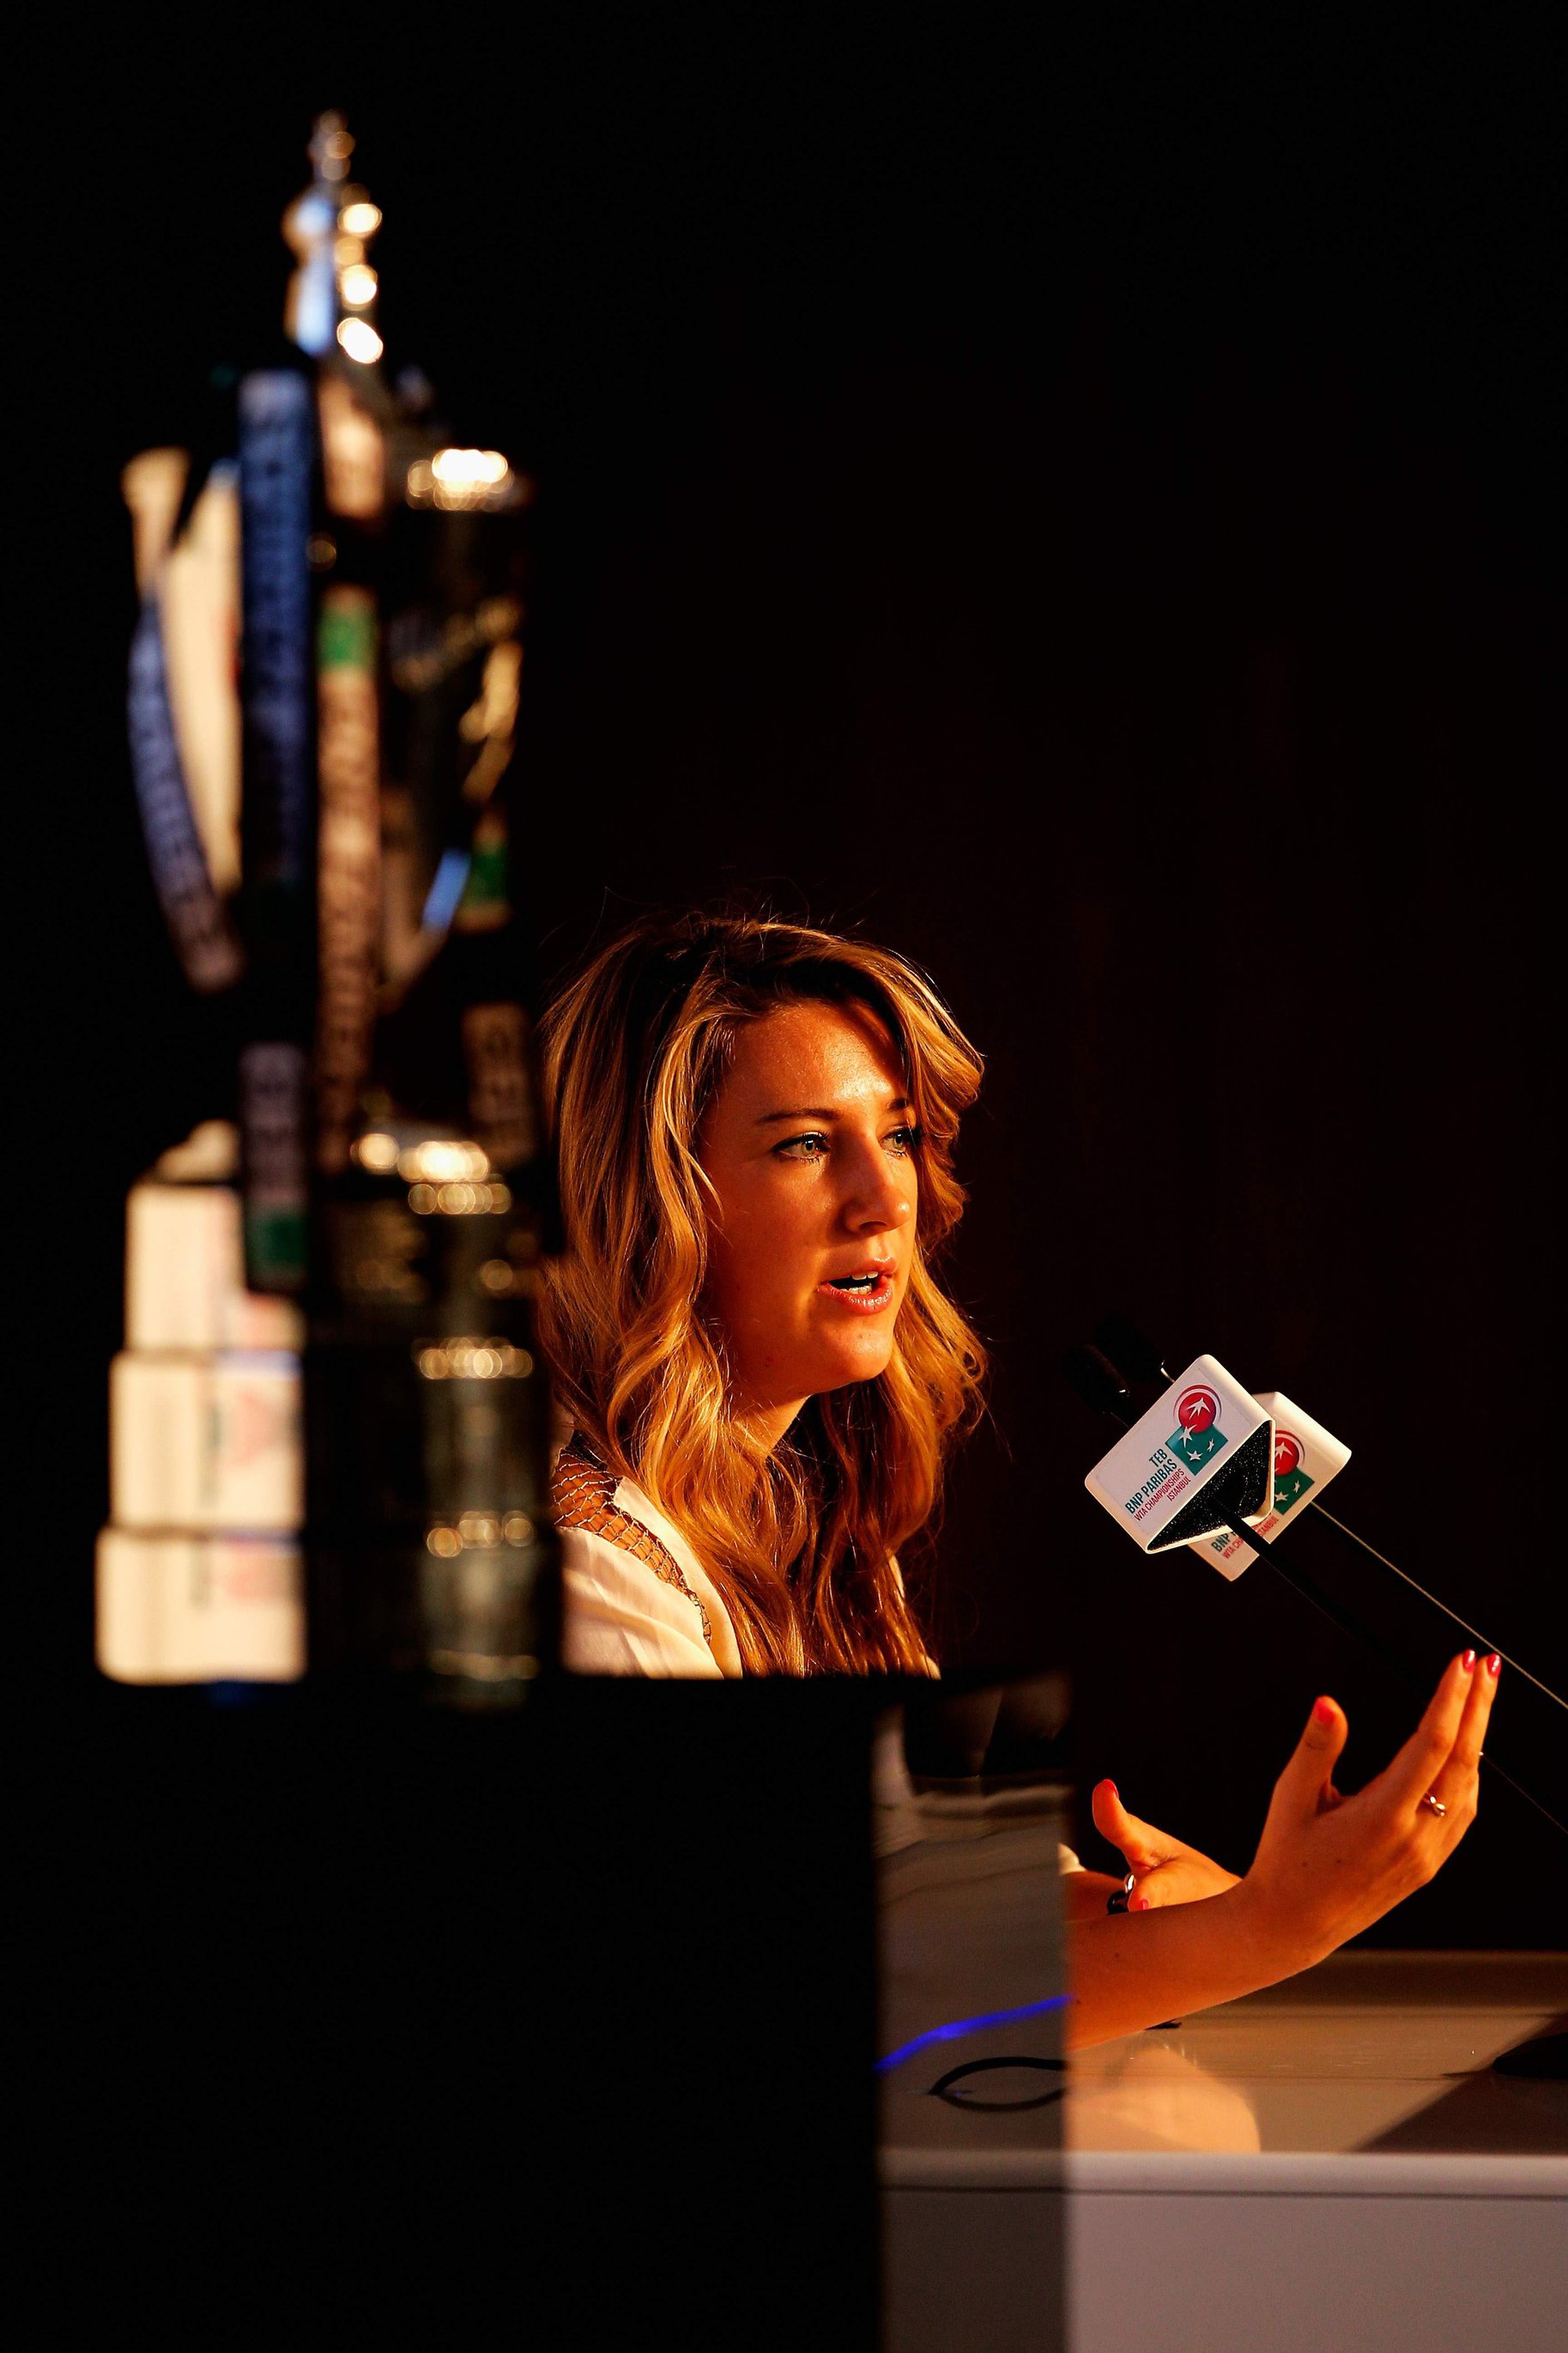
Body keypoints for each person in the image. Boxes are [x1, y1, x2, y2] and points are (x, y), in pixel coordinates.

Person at [536, 908, 1500, 2047]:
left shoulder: (813, 1526)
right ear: (649, 1198)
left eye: (896, 1137)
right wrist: (1266, 1927)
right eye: (804, 1143)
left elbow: (932, 1902)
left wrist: (1148, 1912)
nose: (883, 1197)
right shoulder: (588, 1570)